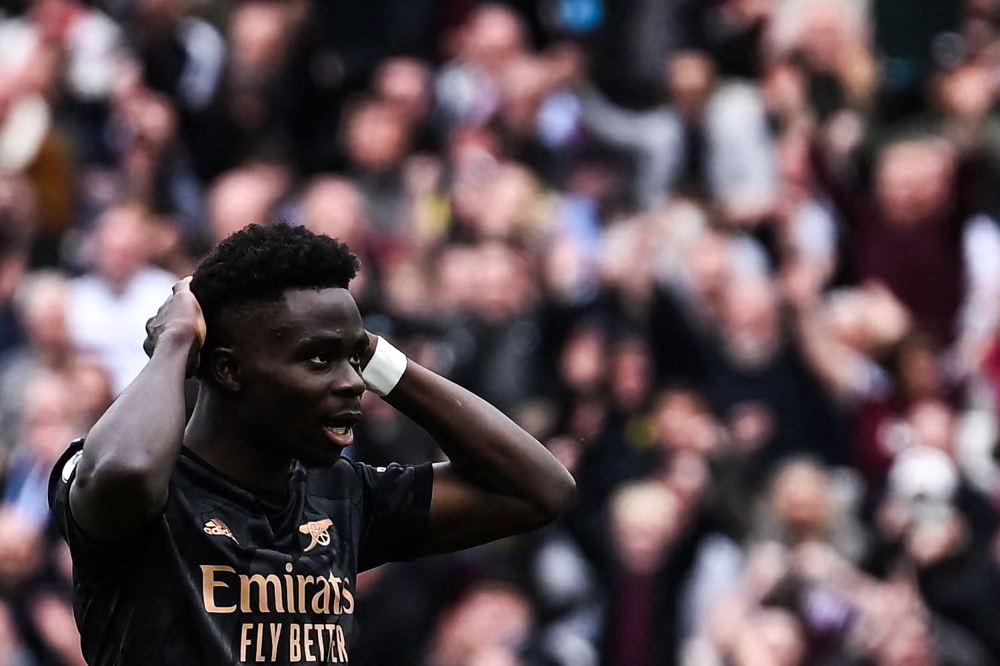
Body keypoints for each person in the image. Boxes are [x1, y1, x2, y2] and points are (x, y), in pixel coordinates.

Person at [47, 222, 576, 666]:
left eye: (354, 359)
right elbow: (127, 472)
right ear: (229, 370)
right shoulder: (130, 485)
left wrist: (377, 357)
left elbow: (538, 491)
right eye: (320, 359)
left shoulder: (344, 495)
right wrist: (175, 342)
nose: (352, 383)